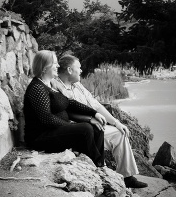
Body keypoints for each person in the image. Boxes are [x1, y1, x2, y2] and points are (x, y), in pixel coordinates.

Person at [52, 54, 147, 189]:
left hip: (93, 126)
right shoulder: (55, 87)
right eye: (78, 68)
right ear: (69, 70)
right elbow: (66, 112)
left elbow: (96, 105)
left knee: (119, 133)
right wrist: (90, 119)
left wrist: (115, 122)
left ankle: (127, 176)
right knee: (98, 132)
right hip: (78, 130)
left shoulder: (78, 85)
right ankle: (102, 172)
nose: (81, 70)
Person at [23, 50, 107, 167]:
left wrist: (94, 113)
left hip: (55, 131)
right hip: (41, 137)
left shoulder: (50, 84)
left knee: (96, 128)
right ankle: (98, 165)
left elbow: (70, 103)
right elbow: (47, 118)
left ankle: (98, 163)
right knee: (85, 129)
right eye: (54, 63)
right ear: (44, 67)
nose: (58, 66)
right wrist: (71, 125)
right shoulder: (37, 88)